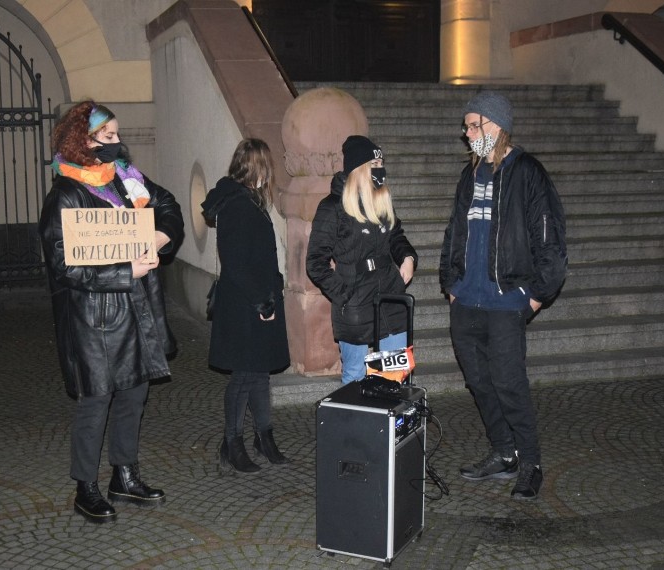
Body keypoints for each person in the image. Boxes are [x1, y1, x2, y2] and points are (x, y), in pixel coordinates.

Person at [39, 101, 184, 522]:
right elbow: (66, 265)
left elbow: (168, 204)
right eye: (109, 137)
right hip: (93, 318)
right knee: (96, 400)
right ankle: (86, 486)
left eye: (118, 135)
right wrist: (126, 270)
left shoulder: (125, 180)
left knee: (134, 392)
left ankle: (124, 473)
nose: (118, 144)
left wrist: (159, 237)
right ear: (83, 142)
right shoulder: (65, 196)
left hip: (135, 310)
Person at [439, 91, 567, 500]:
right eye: (467, 126)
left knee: (509, 383)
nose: (468, 133)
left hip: (506, 301)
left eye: (474, 125)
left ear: (497, 126)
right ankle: (503, 451)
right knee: (478, 382)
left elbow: (549, 238)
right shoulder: (469, 175)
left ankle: (530, 462)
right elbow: (454, 232)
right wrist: (451, 285)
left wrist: (534, 295)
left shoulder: (527, 172)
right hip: (467, 302)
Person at [201, 138, 291, 473]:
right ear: (259, 169)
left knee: (259, 373)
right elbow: (236, 264)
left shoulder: (247, 201)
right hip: (245, 304)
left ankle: (263, 437)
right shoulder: (238, 205)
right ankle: (232, 443)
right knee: (243, 376)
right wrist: (262, 302)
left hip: (256, 300)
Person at [306, 135, 417, 385]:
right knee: (355, 377)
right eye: (375, 166)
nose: (381, 171)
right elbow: (315, 261)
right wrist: (344, 294)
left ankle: (386, 423)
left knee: (393, 376)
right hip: (355, 302)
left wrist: (408, 257)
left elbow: (396, 235)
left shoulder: (380, 199)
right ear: (359, 169)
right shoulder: (333, 207)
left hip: (390, 297)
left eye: (381, 164)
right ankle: (355, 424)